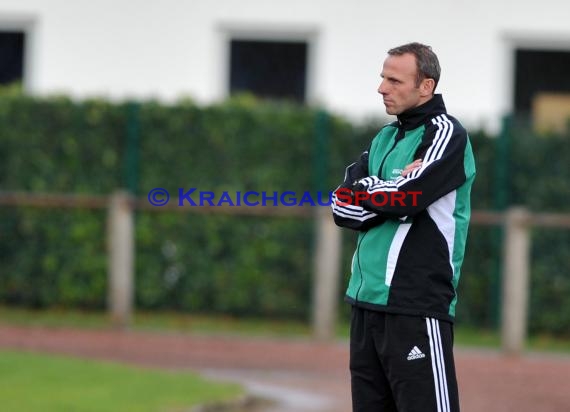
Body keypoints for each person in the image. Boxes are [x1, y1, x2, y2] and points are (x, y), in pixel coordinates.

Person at [331, 42, 476, 412]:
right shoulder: (383, 137)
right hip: (365, 302)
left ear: (425, 87)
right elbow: (342, 206)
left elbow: (407, 199)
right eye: (383, 78)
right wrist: (387, 193)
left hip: (416, 306)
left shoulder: (447, 135)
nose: (382, 88)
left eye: (394, 80)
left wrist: (375, 192)